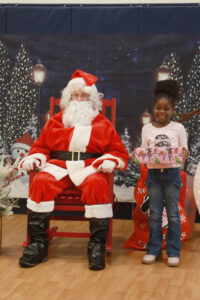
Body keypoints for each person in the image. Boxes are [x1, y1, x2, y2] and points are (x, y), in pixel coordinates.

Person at [18, 69, 129, 270]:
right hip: (58, 166)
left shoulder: (102, 123)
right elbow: (41, 146)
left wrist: (110, 160)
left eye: (84, 95)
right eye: (76, 95)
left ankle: (96, 245)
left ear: (92, 99)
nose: (79, 99)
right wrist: (35, 157)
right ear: (69, 98)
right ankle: (38, 243)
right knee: (41, 182)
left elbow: (118, 151)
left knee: (98, 185)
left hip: (89, 168)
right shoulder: (56, 121)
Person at [141, 79, 189, 267]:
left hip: (172, 175)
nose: (162, 112)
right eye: (158, 108)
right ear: (153, 109)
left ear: (172, 110)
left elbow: (184, 150)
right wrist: (143, 156)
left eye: (166, 108)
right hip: (153, 176)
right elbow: (144, 152)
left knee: (173, 215)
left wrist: (185, 153)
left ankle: (173, 251)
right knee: (154, 214)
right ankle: (153, 250)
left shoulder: (178, 128)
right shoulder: (147, 129)